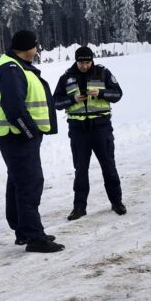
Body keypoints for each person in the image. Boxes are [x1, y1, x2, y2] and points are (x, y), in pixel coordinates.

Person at [0, 30, 63, 253]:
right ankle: (34, 238)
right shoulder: (11, 69)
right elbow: (14, 108)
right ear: (27, 48)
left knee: (18, 183)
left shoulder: (13, 65)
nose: (37, 50)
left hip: (15, 137)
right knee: (29, 185)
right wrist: (30, 133)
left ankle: (24, 230)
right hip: (18, 137)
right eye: (36, 47)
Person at [53, 45, 125, 220]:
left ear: (92, 60)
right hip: (78, 131)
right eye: (81, 62)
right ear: (76, 61)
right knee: (80, 170)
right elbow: (55, 102)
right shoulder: (67, 77)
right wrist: (73, 99)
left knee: (109, 167)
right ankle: (79, 207)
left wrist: (101, 93)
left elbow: (118, 94)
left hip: (101, 128)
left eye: (87, 62)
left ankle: (116, 202)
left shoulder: (103, 73)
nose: (85, 66)